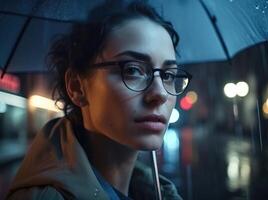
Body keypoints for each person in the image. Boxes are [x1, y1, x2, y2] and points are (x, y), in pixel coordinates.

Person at [6, 0, 192, 199]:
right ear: (77, 87)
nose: (161, 94)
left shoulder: (155, 192)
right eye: (132, 70)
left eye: (168, 75)